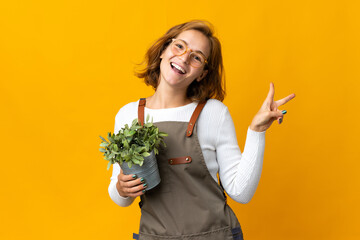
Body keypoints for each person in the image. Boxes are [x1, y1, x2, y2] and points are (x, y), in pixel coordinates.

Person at [108, 20, 295, 240]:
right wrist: (122, 188)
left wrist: (257, 131)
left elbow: (241, 192)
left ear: (202, 74)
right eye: (179, 46)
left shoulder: (214, 113)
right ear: (163, 50)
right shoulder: (128, 116)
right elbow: (121, 198)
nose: (184, 58)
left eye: (197, 57)